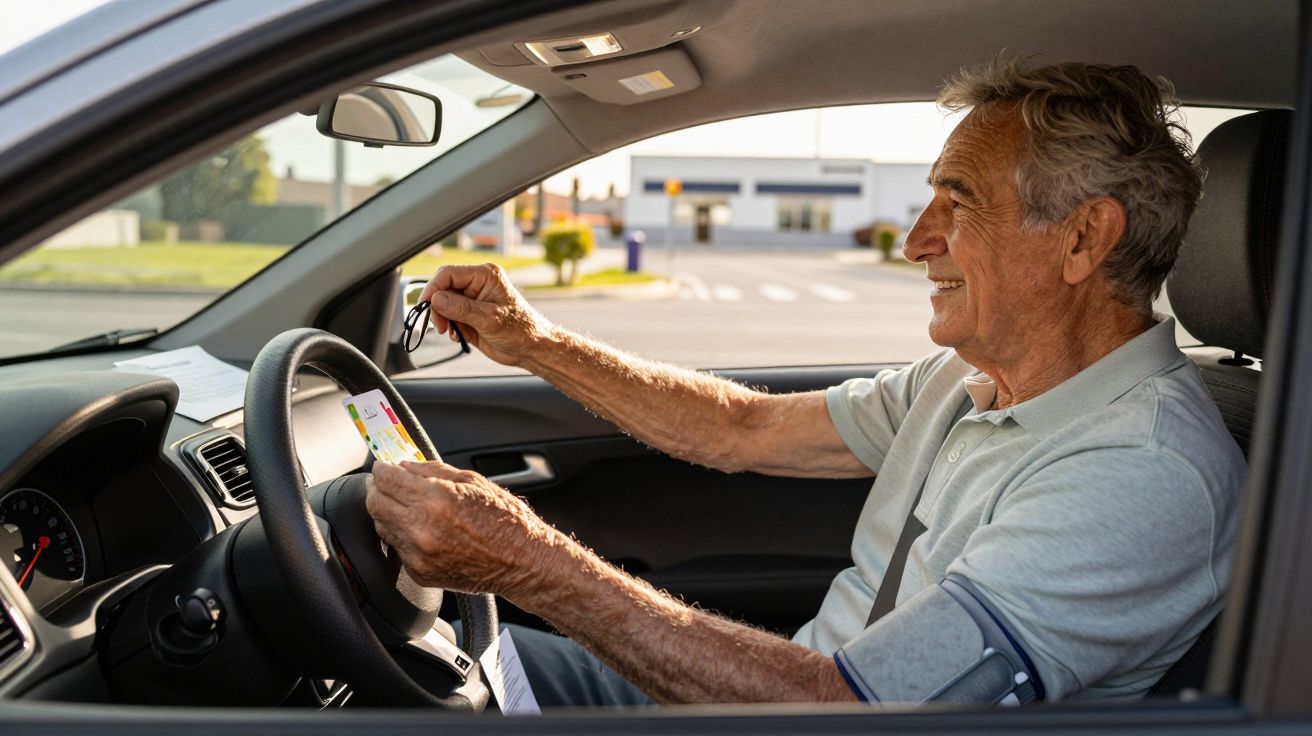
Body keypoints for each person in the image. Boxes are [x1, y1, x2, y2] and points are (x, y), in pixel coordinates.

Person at [365, 57, 1246, 707]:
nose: (915, 242)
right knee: (407, 658)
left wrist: (528, 560)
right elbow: (738, 427)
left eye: (960, 202)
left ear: (1085, 239)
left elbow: (851, 714)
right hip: (773, 700)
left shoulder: (1141, 472)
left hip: (802, 715)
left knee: (402, 669)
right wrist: (533, 340)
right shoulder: (968, 379)